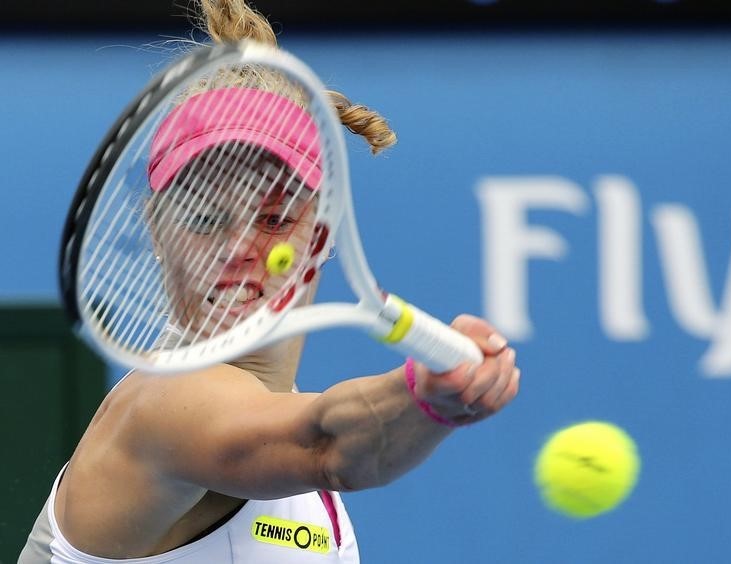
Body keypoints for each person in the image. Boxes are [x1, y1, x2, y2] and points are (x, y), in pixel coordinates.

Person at [18, 0, 520, 562]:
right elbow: (327, 444)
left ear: (324, 233)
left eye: (275, 218)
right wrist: (425, 395)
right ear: (158, 234)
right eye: (206, 220)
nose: (237, 249)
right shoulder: (165, 407)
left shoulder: (279, 428)